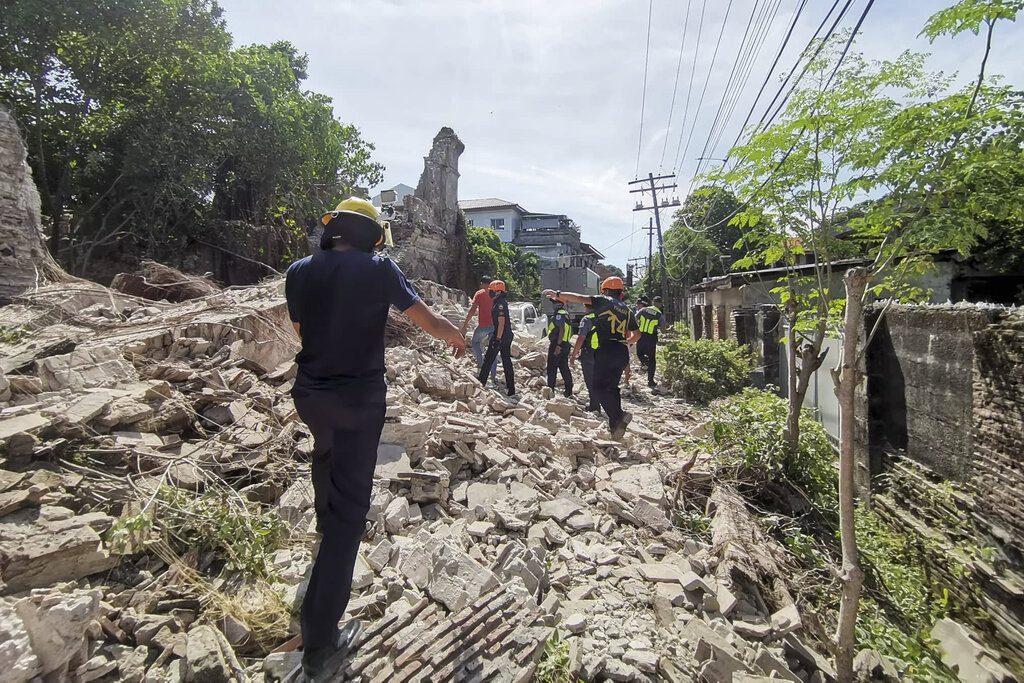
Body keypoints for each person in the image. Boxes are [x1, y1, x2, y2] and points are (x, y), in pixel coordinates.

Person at [285, 197, 466, 682]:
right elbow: (424, 319)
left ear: (334, 230)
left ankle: (326, 521)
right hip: (358, 401)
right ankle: (320, 644)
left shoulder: (299, 270)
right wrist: (457, 338)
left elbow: (300, 329)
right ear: (374, 235)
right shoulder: (379, 268)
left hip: (311, 396)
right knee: (350, 517)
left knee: (325, 453)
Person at [543, 277, 639, 439]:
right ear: (620, 291)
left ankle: (619, 416)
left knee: (598, 388)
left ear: (605, 290)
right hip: (621, 351)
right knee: (612, 388)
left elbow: (580, 298)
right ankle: (615, 426)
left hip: (606, 349)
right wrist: (624, 343)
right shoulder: (627, 310)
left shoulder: (605, 301)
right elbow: (637, 334)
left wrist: (558, 294)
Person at [478, 280, 515, 396]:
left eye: (492, 291)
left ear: (499, 291)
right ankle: (511, 388)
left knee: (489, 359)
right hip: (506, 335)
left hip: (501, 336)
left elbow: (501, 322)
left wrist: (497, 339)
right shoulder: (500, 301)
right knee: (506, 361)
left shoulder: (500, 304)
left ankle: (480, 383)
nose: (490, 293)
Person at [460, 276, 497, 380]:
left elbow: (472, 310)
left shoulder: (480, 293)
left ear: (483, 283)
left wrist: (465, 324)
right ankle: (493, 375)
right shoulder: (496, 293)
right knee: (492, 349)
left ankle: (480, 363)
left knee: (475, 342)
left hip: (484, 326)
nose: (480, 285)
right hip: (495, 325)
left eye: (481, 283)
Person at [569, 303, 599, 412]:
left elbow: (581, 338)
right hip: (603, 353)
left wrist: (573, 355)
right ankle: (602, 403)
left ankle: (594, 406)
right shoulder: (603, 317)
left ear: (588, 307)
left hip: (589, 353)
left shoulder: (586, 319)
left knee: (590, 380)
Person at [546, 297, 574, 397]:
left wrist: (558, 345)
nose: (553, 304)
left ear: (560, 304)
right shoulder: (565, 313)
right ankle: (568, 391)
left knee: (552, 368)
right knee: (563, 367)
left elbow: (561, 329)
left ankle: (550, 390)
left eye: (554, 302)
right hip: (565, 344)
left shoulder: (559, 314)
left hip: (558, 344)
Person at [636, 295, 666, 387]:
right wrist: (670, 329)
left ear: (652, 302)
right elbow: (663, 330)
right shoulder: (659, 315)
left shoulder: (643, 310)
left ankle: (645, 364)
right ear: (660, 304)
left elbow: (634, 319)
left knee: (639, 354)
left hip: (641, 336)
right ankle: (650, 381)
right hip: (651, 338)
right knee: (652, 359)